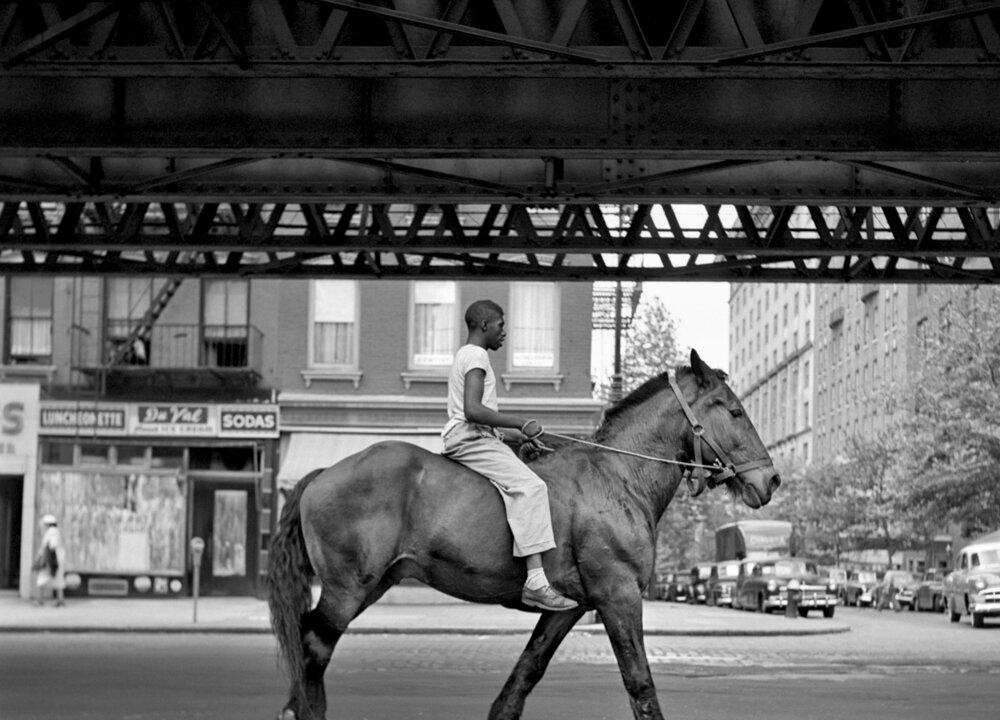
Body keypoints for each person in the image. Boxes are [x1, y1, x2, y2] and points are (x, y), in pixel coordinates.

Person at [442, 299, 578, 612]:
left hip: (473, 436)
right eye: (502, 326)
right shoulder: (476, 355)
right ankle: (535, 582)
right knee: (531, 487)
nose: (505, 333)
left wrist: (519, 437)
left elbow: (480, 419)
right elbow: (473, 411)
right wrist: (520, 422)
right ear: (484, 325)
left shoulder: (466, 355)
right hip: (470, 438)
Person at [33, 514, 65, 607]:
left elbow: (50, 546)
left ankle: (40, 600)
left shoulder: (51, 532)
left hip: (50, 560)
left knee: (41, 578)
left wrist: (41, 558)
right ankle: (60, 600)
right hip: (56, 559)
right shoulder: (55, 531)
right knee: (58, 579)